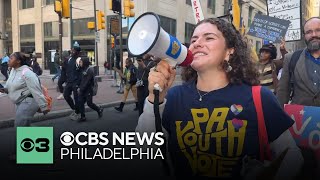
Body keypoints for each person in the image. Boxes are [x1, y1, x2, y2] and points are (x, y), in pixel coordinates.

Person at [136, 18, 303, 179]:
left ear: (230, 51)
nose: (197, 43)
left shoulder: (259, 97)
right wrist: (153, 99)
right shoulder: (173, 96)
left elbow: (293, 158)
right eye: (193, 40)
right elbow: (144, 154)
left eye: (209, 38)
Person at [277, 17, 320, 107]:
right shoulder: (291, 58)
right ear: (304, 36)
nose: (314, 35)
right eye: (309, 32)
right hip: (300, 118)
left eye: (318, 30)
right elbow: (283, 92)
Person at [0, 52, 49, 126]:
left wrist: (44, 106)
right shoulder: (12, 71)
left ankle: (42, 136)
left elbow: (36, 90)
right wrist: (5, 90)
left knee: (19, 125)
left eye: (11, 58)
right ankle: (43, 136)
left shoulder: (27, 72)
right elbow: (12, 86)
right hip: (19, 101)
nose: (8, 60)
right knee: (24, 126)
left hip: (29, 101)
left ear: (18, 61)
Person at [77, 57, 103, 122]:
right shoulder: (81, 69)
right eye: (79, 62)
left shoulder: (90, 70)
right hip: (82, 89)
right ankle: (83, 117)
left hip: (88, 89)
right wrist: (78, 86)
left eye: (81, 62)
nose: (80, 63)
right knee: (80, 102)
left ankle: (98, 109)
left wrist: (81, 88)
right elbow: (80, 79)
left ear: (84, 62)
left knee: (89, 103)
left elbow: (87, 81)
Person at [63, 45, 82, 121]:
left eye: (73, 50)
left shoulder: (79, 60)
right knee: (66, 95)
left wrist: (79, 83)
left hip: (76, 82)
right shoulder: (69, 59)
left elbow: (80, 72)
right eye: (72, 50)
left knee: (76, 98)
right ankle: (74, 109)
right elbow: (66, 70)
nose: (72, 51)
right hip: (69, 81)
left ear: (77, 52)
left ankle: (77, 113)